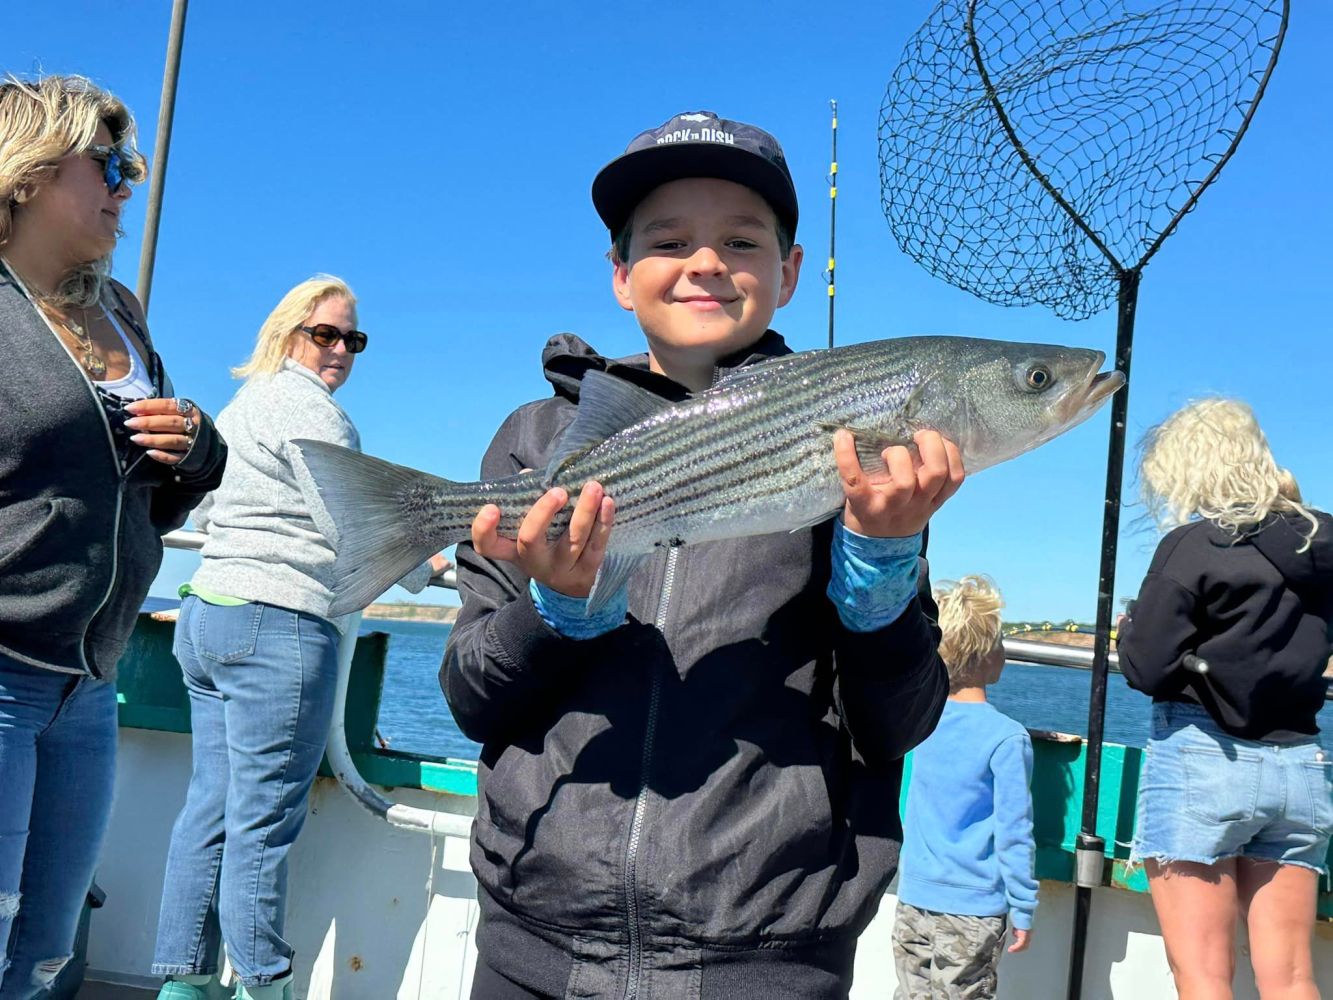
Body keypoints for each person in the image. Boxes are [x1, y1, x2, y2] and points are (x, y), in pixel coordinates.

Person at [442, 110, 964, 1000]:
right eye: (669, 239)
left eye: (741, 240)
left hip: (767, 957)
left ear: (790, 272)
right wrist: (555, 613)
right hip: (534, 942)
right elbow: (472, 697)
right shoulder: (534, 441)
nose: (706, 262)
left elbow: (893, 727)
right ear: (620, 274)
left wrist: (880, 568)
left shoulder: (860, 455)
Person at [149, 276, 448, 1000]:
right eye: (327, 334)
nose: (342, 349)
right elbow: (353, 520)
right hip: (277, 624)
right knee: (262, 825)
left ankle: (184, 983)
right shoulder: (318, 416)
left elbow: (215, 505)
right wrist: (432, 565)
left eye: (354, 339)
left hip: (208, 616)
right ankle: (265, 985)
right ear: (290, 334)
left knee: (210, 811)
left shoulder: (242, 406)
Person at [0, 74, 226, 1000]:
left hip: (91, 685)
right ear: (29, 169)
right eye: (110, 163)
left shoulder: (123, 314)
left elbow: (148, 494)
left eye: (131, 166)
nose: (126, 185)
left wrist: (199, 450)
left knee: (45, 955)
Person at [1118, 397, 1333, 1000]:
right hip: (1300, 768)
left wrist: (1128, 628)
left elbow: (1146, 665)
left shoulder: (1194, 546)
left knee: (1205, 978)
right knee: (1292, 978)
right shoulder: (1322, 546)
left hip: (1204, 761)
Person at [891, 575, 1037, 1000]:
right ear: (987, 653)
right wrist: (1024, 907)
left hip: (914, 898)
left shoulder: (919, 724)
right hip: (973, 910)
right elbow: (1014, 832)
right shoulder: (1007, 738)